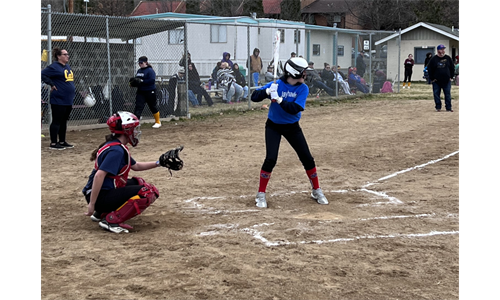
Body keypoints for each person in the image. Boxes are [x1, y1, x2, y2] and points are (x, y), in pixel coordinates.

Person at [250, 57, 329, 208]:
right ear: (294, 73)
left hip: (292, 126)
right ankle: (260, 194)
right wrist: (266, 91)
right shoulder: (276, 84)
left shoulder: (303, 88)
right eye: (304, 73)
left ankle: (316, 190)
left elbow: (294, 110)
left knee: (307, 158)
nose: (306, 75)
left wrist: (279, 100)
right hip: (273, 126)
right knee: (271, 159)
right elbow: (254, 97)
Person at [82, 111, 161, 233]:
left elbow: (136, 166)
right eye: (134, 129)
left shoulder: (116, 145)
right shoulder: (116, 150)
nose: (136, 132)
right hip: (99, 197)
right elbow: (99, 176)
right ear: (126, 130)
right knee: (148, 192)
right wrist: (92, 204)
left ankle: (101, 213)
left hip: (99, 193)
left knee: (139, 182)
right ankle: (111, 221)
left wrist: (159, 163)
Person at [40, 47, 76, 150]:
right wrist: (51, 84)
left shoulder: (67, 66)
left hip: (68, 98)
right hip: (58, 98)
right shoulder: (54, 67)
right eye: (65, 54)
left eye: (67, 54)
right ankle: (53, 143)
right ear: (59, 56)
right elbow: (42, 74)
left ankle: (62, 141)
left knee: (64, 121)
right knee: (57, 120)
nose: (67, 56)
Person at [132, 56, 161, 128]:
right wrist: (134, 83)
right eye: (139, 63)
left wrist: (142, 81)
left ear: (146, 63)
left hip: (150, 91)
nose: (140, 64)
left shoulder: (150, 71)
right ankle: (136, 122)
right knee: (138, 106)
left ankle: (158, 122)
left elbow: (152, 81)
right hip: (141, 91)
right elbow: (137, 80)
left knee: (152, 106)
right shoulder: (139, 71)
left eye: (141, 63)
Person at [427, 44, 455, 112]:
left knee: (447, 94)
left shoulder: (448, 58)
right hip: (436, 81)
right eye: (441, 49)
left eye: (443, 49)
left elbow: (452, 68)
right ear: (438, 50)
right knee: (436, 94)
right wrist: (432, 78)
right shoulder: (433, 59)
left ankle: (448, 107)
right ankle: (438, 107)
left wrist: (451, 76)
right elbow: (429, 69)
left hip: (447, 80)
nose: (443, 51)